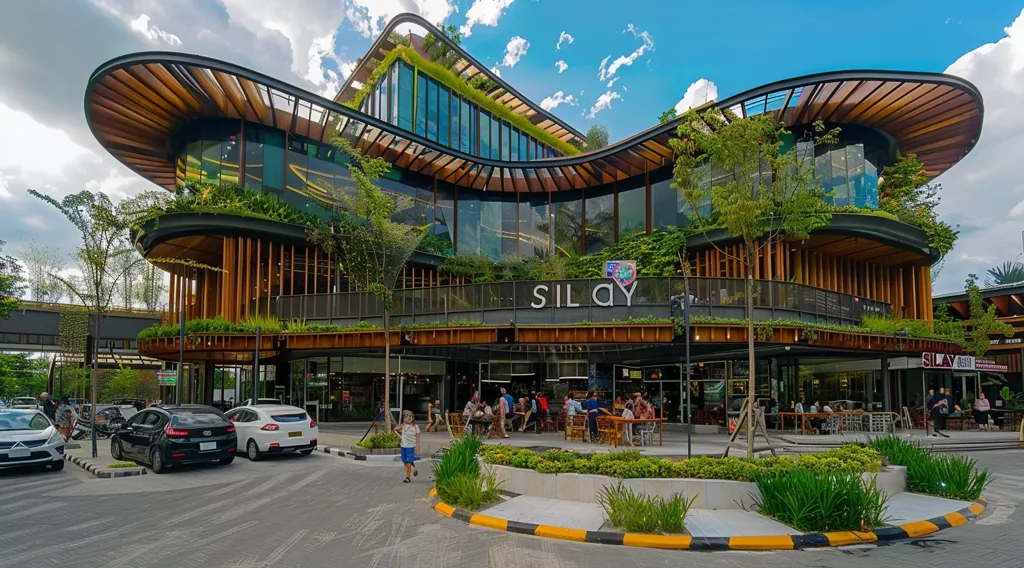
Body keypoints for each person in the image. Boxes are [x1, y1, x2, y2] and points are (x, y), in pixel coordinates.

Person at [394, 410, 420, 483]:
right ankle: (410, 469)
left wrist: (418, 448)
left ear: (413, 418)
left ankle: (408, 476)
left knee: (408, 461)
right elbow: (395, 429)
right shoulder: (403, 426)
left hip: (411, 446)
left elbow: (418, 438)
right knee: (405, 461)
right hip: (403, 446)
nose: (408, 418)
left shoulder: (415, 427)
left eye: (410, 416)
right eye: (406, 417)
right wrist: (401, 425)